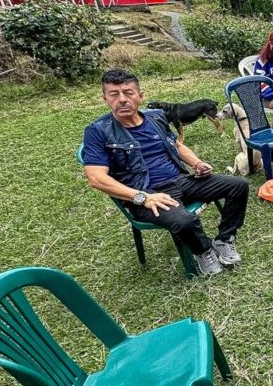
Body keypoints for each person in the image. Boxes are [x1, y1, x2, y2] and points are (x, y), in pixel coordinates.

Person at [82, 68, 249, 276]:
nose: (122, 99)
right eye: (114, 94)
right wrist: (142, 197)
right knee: (184, 220)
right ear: (105, 98)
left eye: (128, 93)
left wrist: (196, 163)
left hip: (181, 180)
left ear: (140, 96)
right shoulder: (98, 131)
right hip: (147, 192)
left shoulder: (156, 118)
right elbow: (96, 178)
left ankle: (224, 239)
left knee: (238, 185)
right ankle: (204, 249)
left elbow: (177, 145)